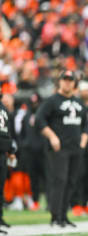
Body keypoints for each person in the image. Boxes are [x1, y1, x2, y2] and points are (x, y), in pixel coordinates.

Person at [35, 70, 88, 227]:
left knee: (71, 182)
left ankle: (64, 216)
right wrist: (52, 136)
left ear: (74, 83)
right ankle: (55, 216)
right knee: (60, 180)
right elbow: (39, 120)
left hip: (75, 148)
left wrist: (83, 141)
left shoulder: (79, 102)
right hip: (59, 149)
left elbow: (85, 124)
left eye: (70, 80)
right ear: (59, 81)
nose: (67, 82)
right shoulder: (51, 101)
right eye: (65, 79)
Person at [71, 80, 88, 216]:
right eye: (83, 90)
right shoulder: (76, 105)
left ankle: (86, 203)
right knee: (78, 175)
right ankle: (76, 203)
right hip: (79, 144)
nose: (86, 92)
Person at [0, 88, 17, 233]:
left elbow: (6, 132)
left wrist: (11, 150)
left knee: (0, 188)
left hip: (2, 153)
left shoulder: (3, 108)